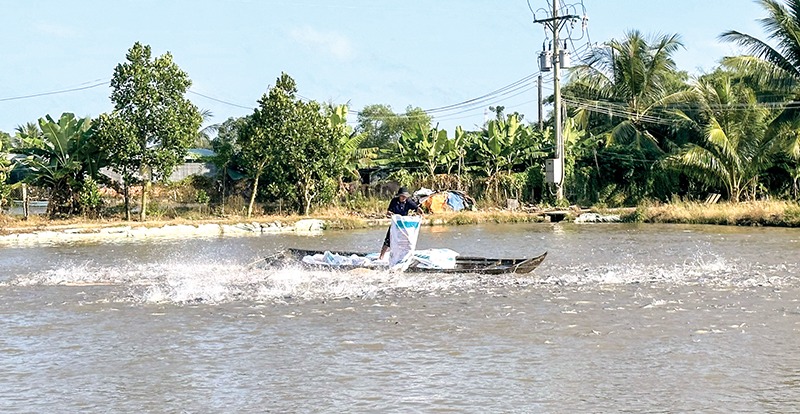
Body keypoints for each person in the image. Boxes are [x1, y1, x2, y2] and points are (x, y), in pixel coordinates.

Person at [378, 187, 424, 260]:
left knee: (406, 240)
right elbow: (388, 212)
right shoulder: (394, 201)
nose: (404, 198)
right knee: (388, 240)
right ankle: (381, 256)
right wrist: (390, 214)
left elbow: (416, 208)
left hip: (404, 225)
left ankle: (405, 256)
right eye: (402, 196)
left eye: (405, 196)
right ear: (399, 196)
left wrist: (419, 211)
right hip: (395, 224)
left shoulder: (408, 201)